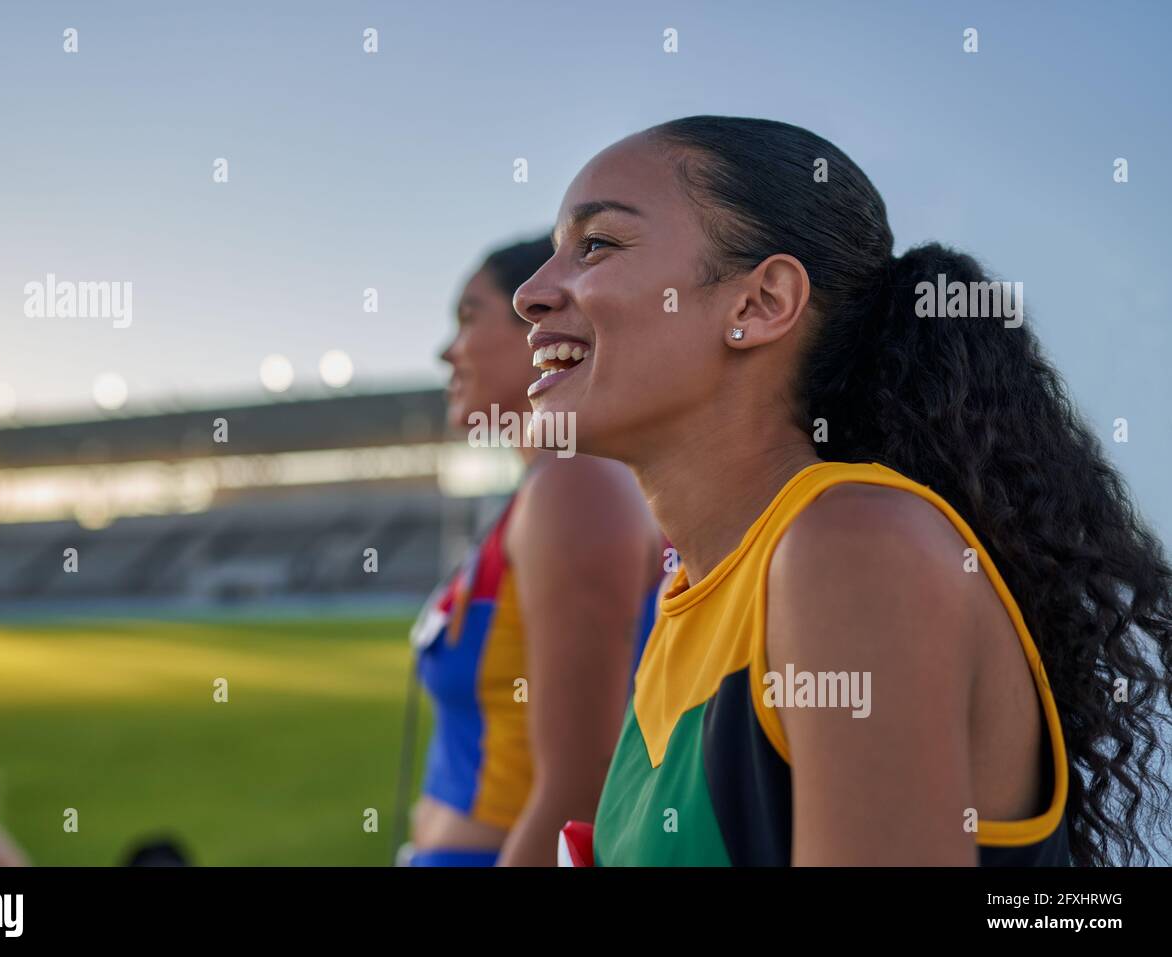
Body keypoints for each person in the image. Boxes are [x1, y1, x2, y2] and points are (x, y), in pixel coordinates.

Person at [514, 116, 1172, 866]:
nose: (531, 295)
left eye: (596, 244)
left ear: (761, 303)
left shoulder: (856, 546)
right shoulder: (694, 596)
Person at [407, 236, 663, 866]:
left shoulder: (573, 485)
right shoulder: (547, 488)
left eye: (469, 317)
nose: (447, 351)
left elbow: (582, 785)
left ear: (545, 327)